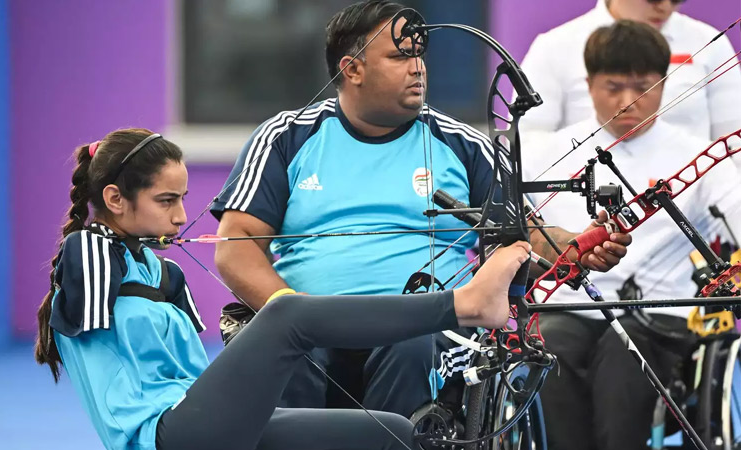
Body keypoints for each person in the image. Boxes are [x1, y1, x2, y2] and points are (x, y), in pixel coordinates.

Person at [211, 0, 632, 419]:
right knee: (284, 353)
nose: (418, 69)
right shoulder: (285, 137)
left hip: (424, 330)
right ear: (352, 69)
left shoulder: (464, 146)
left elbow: (528, 237)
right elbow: (236, 247)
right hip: (310, 327)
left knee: (410, 346)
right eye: (399, 57)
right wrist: (295, 314)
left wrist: (577, 246)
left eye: (419, 55)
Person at [34, 127, 535, 450]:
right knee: (288, 314)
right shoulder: (87, 251)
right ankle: (467, 303)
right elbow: (90, 255)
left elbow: (197, 378)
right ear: (114, 199)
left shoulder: (165, 274)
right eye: (166, 201)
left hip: (206, 423)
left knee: (391, 431)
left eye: (183, 199)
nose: (182, 216)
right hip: (162, 437)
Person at [522, 21, 741, 450]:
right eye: (613, 87)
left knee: (625, 356)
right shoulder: (543, 154)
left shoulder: (699, 155)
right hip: (565, 311)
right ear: (588, 85)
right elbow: (515, 232)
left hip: (660, 317)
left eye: (643, 87)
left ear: (664, 83)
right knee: (548, 353)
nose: (628, 102)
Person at [519, 0, 741, 145]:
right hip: (586, 190)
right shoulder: (554, 46)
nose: (665, 7)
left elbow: (734, 140)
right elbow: (529, 143)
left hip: (689, 192)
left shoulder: (710, 43)